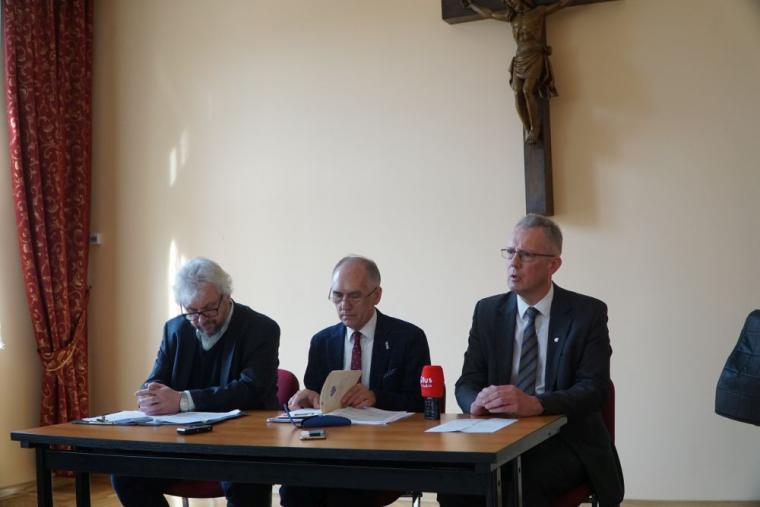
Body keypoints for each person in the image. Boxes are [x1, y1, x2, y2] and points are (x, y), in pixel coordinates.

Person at [439, 214, 624, 507]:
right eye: (510, 252)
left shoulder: (586, 313)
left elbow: (594, 389)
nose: (513, 263)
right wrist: (475, 401)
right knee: (456, 484)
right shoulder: (488, 312)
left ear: (554, 264)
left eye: (525, 255)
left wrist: (536, 404)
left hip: (565, 438)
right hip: (498, 435)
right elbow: (467, 381)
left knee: (521, 487)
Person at [111, 257, 280, 507]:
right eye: (191, 311)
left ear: (227, 296)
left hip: (243, 445)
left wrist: (183, 400)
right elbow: (156, 378)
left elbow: (251, 389)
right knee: (126, 476)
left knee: (244, 481)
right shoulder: (175, 329)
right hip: (184, 444)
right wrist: (151, 395)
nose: (201, 319)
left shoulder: (261, 328)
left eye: (209, 308)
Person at [280, 255, 431, 507]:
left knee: (345, 493)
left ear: (376, 295)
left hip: (383, 451)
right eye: (337, 296)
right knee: (294, 488)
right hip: (329, 449)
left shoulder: (408, 338)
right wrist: (309, 398)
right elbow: (317, 399)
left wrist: (376, 396)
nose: (344, 305)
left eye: (354, 296)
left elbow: (421, 403)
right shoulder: (322, 342)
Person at [465, 0, 570, 144]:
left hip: (534, 56)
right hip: (519, 59)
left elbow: (560, 4)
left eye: (512, 0)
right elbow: (490, 14)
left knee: (527, 90)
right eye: (509, 2)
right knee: (517, 92)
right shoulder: (512, 17)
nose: (511, 4)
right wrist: (471, 5)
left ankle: (535, 128)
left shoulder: (538, 12)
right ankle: (527, 128)